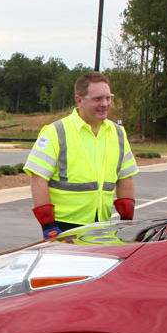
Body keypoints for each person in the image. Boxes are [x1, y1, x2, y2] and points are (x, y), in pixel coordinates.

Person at [23, 71, 137, 238]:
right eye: (97, 99)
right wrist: (48, 225)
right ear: (79, 100)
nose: (105, 104)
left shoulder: (118, 133)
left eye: (108, 98)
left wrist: (127, 221)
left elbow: (125, 177)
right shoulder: (56, 132)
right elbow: (38, 177)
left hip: (102, 225)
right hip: (64, 228)